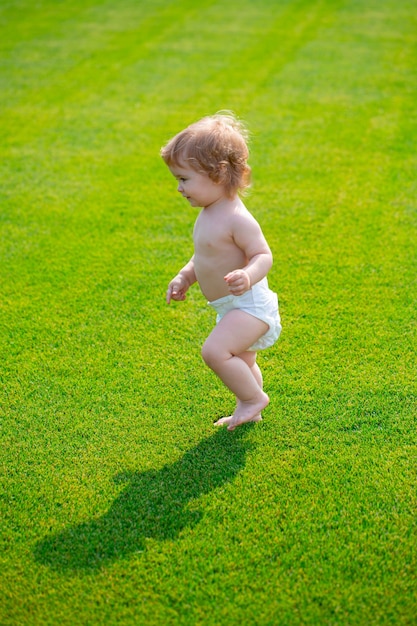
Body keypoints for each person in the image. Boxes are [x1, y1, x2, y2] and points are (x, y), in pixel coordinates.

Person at [161, 112, 281, 431]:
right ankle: (250, 407)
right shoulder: (209, 212)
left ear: (217, 175)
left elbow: (262, 255)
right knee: (242, 361)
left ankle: (254, 399)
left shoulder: (237, 218)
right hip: (229, 307)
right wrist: (186, 275)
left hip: (250, 305)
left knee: (214, 351)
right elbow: (204, 255)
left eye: (184, 179)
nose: (179, 188)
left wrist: (249, 275)